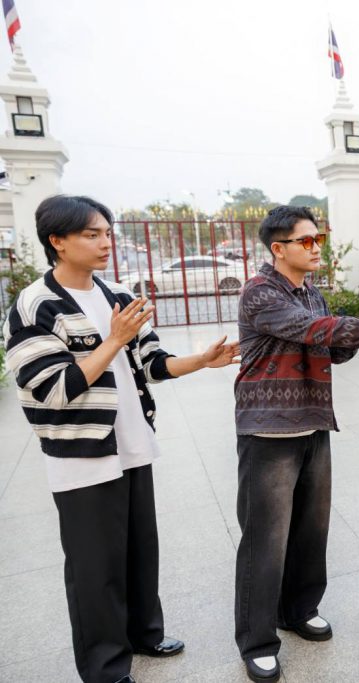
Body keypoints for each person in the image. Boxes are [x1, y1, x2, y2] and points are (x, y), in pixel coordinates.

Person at [3, 195, 241, 683]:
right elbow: (53, 389)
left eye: (108, 233)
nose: (105, 243)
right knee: (95, 568)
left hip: (132, 444)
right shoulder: (34, 305)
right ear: (57, 241)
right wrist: (112, 340)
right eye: (92, 234)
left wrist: (201, 361)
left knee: (139, 551)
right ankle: (105, 667)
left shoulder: (116, 294)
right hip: (81, 454)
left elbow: (151, 363)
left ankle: (144, 634)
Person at [232, 206, 359, 683]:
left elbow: (329, 344)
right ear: (278, 248)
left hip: (312, 421)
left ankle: (298, 610)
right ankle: (257, 641)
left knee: (311, 529)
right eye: (305, 241)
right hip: (268, 430)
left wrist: (352, 336)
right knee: (265, 540)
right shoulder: (260, 292)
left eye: (318, 239)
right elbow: (311, 330)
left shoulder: (312, 293)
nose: (315, 248)